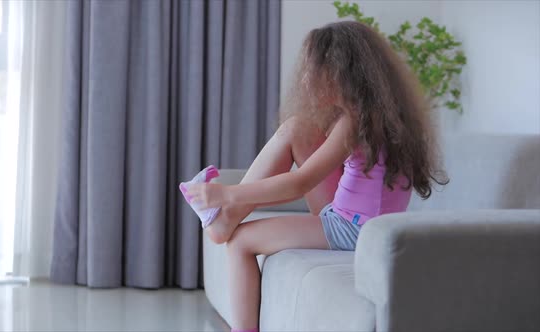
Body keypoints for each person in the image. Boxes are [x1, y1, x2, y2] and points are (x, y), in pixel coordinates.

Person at [182, 21, 447, 332]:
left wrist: (227, 194)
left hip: (352, 230)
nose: (306, 79)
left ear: (340, 74)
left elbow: (299, 183)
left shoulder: (353, 123)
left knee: (240, 242)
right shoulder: (381, 116)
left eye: (314, 71)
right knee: (296, 129)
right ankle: (224, 218)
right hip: (356, 221)